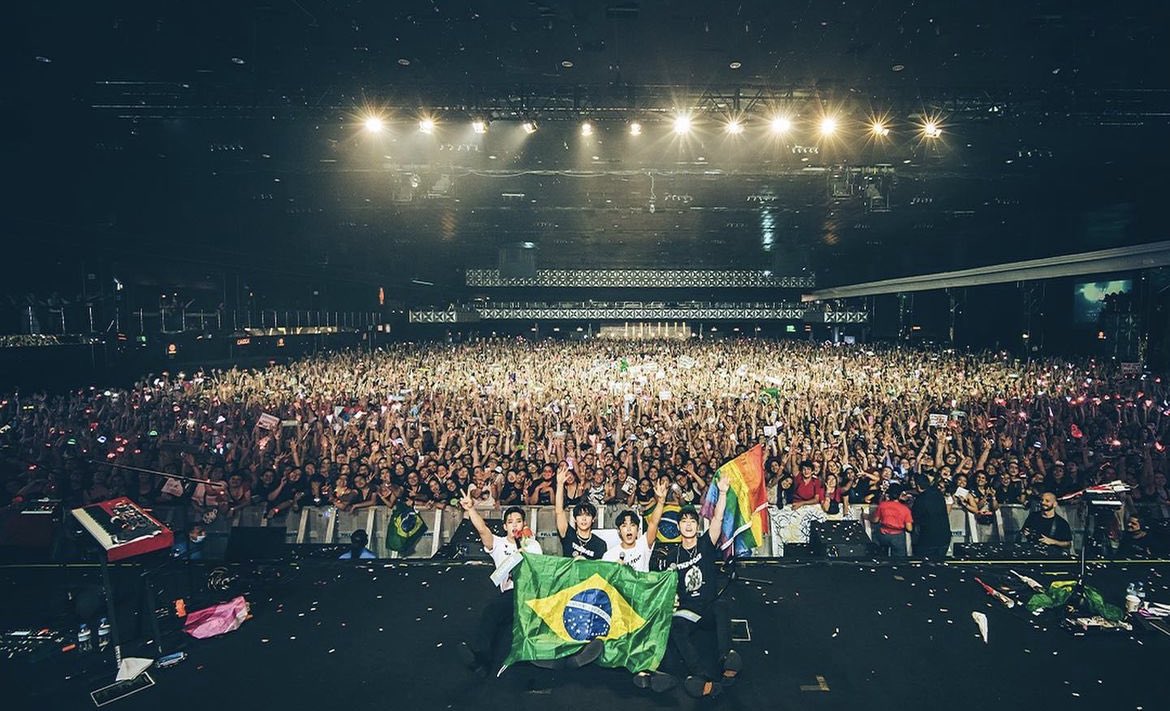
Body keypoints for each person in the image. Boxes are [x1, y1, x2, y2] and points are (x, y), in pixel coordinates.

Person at [456, 492, 601, 675]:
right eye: (510, 522)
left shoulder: (533, 545)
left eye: (518, 521)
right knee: (491, 611)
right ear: (505, 526)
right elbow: (483, 530)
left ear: (524, 524)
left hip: (534, 593)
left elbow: (541, 572)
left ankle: (571, 654)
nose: (514, 525)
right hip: (512, 593)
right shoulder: (498, 544)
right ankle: (481, 661)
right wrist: (470, 509)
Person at [652, 476, 741, 698]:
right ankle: (700, 675)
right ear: (678, 526)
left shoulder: (705, 543)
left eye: (693, 520)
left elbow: (718, 518)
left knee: (721, 606)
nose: (689, 524)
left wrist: (722, 493)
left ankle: (726, 660)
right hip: (688, 609)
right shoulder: (672, 556)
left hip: (709, 605)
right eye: (684, 521)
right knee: (676, 627)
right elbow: (664, 586)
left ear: (697, 525)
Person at [603, 477, 669, 572]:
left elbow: (653, 523)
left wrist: (661, 501)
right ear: (619, 531)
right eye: (624, 525)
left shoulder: (643, 545)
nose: (629, 529)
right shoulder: (609, 555)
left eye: (632, 525)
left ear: (638, 530)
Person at [555, 464, 608, 560]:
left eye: (587, 515)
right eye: (580, 515)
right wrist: (560, 484)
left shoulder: (600, 544)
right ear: (575, 519)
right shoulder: (568, 534)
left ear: (593, 519)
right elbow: (559, 511)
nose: (584, 519)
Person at [910, 473, 950, 559]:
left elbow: (915, 518)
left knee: (926, 565)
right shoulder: (939, 495)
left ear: (917, 486)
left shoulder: (920, 499)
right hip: (944, 538)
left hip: (928, 540)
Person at [870, 483, 913, 558]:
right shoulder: (905, 509)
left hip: (883, 534)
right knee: (899, 560)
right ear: (900, 495)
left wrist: (867, 516)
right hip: (898, 536)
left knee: (880, 556)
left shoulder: (882, 505)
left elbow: (875, 520)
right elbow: (909, 528)